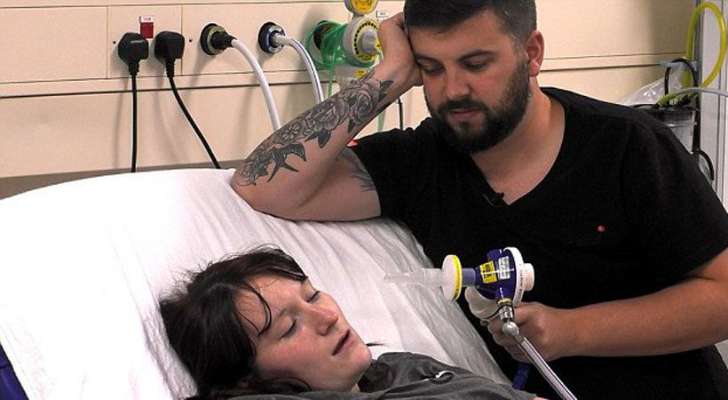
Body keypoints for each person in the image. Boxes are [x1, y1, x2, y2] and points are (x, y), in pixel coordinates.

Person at [231, 1, 728, 398]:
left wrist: (571, 331)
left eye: (475, 64)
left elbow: (722, 296)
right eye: (432, 68)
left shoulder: (626, 147)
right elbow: (261, 185)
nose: (453, 91)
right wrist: (391, 73)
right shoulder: (421, 163)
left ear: (531, 53)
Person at [159, 246, 540, 400]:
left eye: (312, 296)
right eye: (289, 328)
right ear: (245, 380)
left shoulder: (403, 368)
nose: (328, 316)